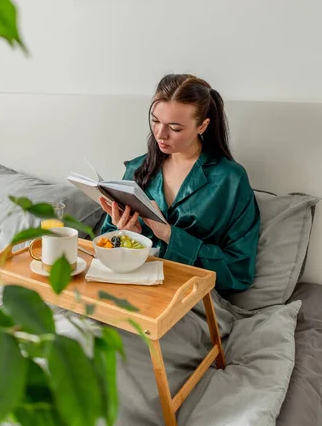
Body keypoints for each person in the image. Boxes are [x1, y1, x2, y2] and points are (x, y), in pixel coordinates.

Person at [100, 74, 260, 292]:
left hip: (191, 296)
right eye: (155, 121)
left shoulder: (230, 180)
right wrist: (127, 235)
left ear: (202, 126)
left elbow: (238, 271)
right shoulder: (137, 170)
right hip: (130, 286)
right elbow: (105, 246)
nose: (160, 134)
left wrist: (168, 234)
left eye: (175, 128)